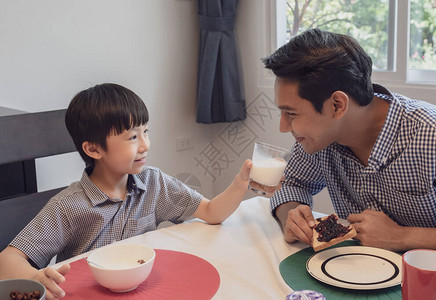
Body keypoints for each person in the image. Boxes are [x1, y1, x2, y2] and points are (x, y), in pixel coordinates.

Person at [0, 83, 253, 299]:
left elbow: (210, 212)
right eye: (132, 137)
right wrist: (36, 277)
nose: (145, 145)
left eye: (145, 131)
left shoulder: (154, 183)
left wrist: (240, 184)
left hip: (145, 290)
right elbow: (7, 261)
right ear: (94, 149)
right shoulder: (68, 206)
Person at [262, 28, 436, 254]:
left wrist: (401, 237)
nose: (283, 127)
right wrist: (291, 215)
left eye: (291, 114)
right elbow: (294, 184)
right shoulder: (320, 140)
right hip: (353, 274)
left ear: (337, 105)